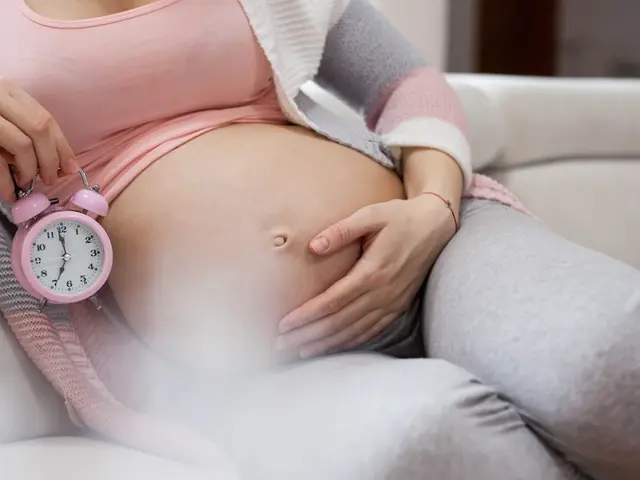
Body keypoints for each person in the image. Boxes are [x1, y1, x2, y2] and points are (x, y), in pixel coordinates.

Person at [0, 0, 637, 478]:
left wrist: (434, 208)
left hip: (441, 250)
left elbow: (405, 85)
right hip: (249, 363)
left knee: (609, 359)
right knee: (424, 441)